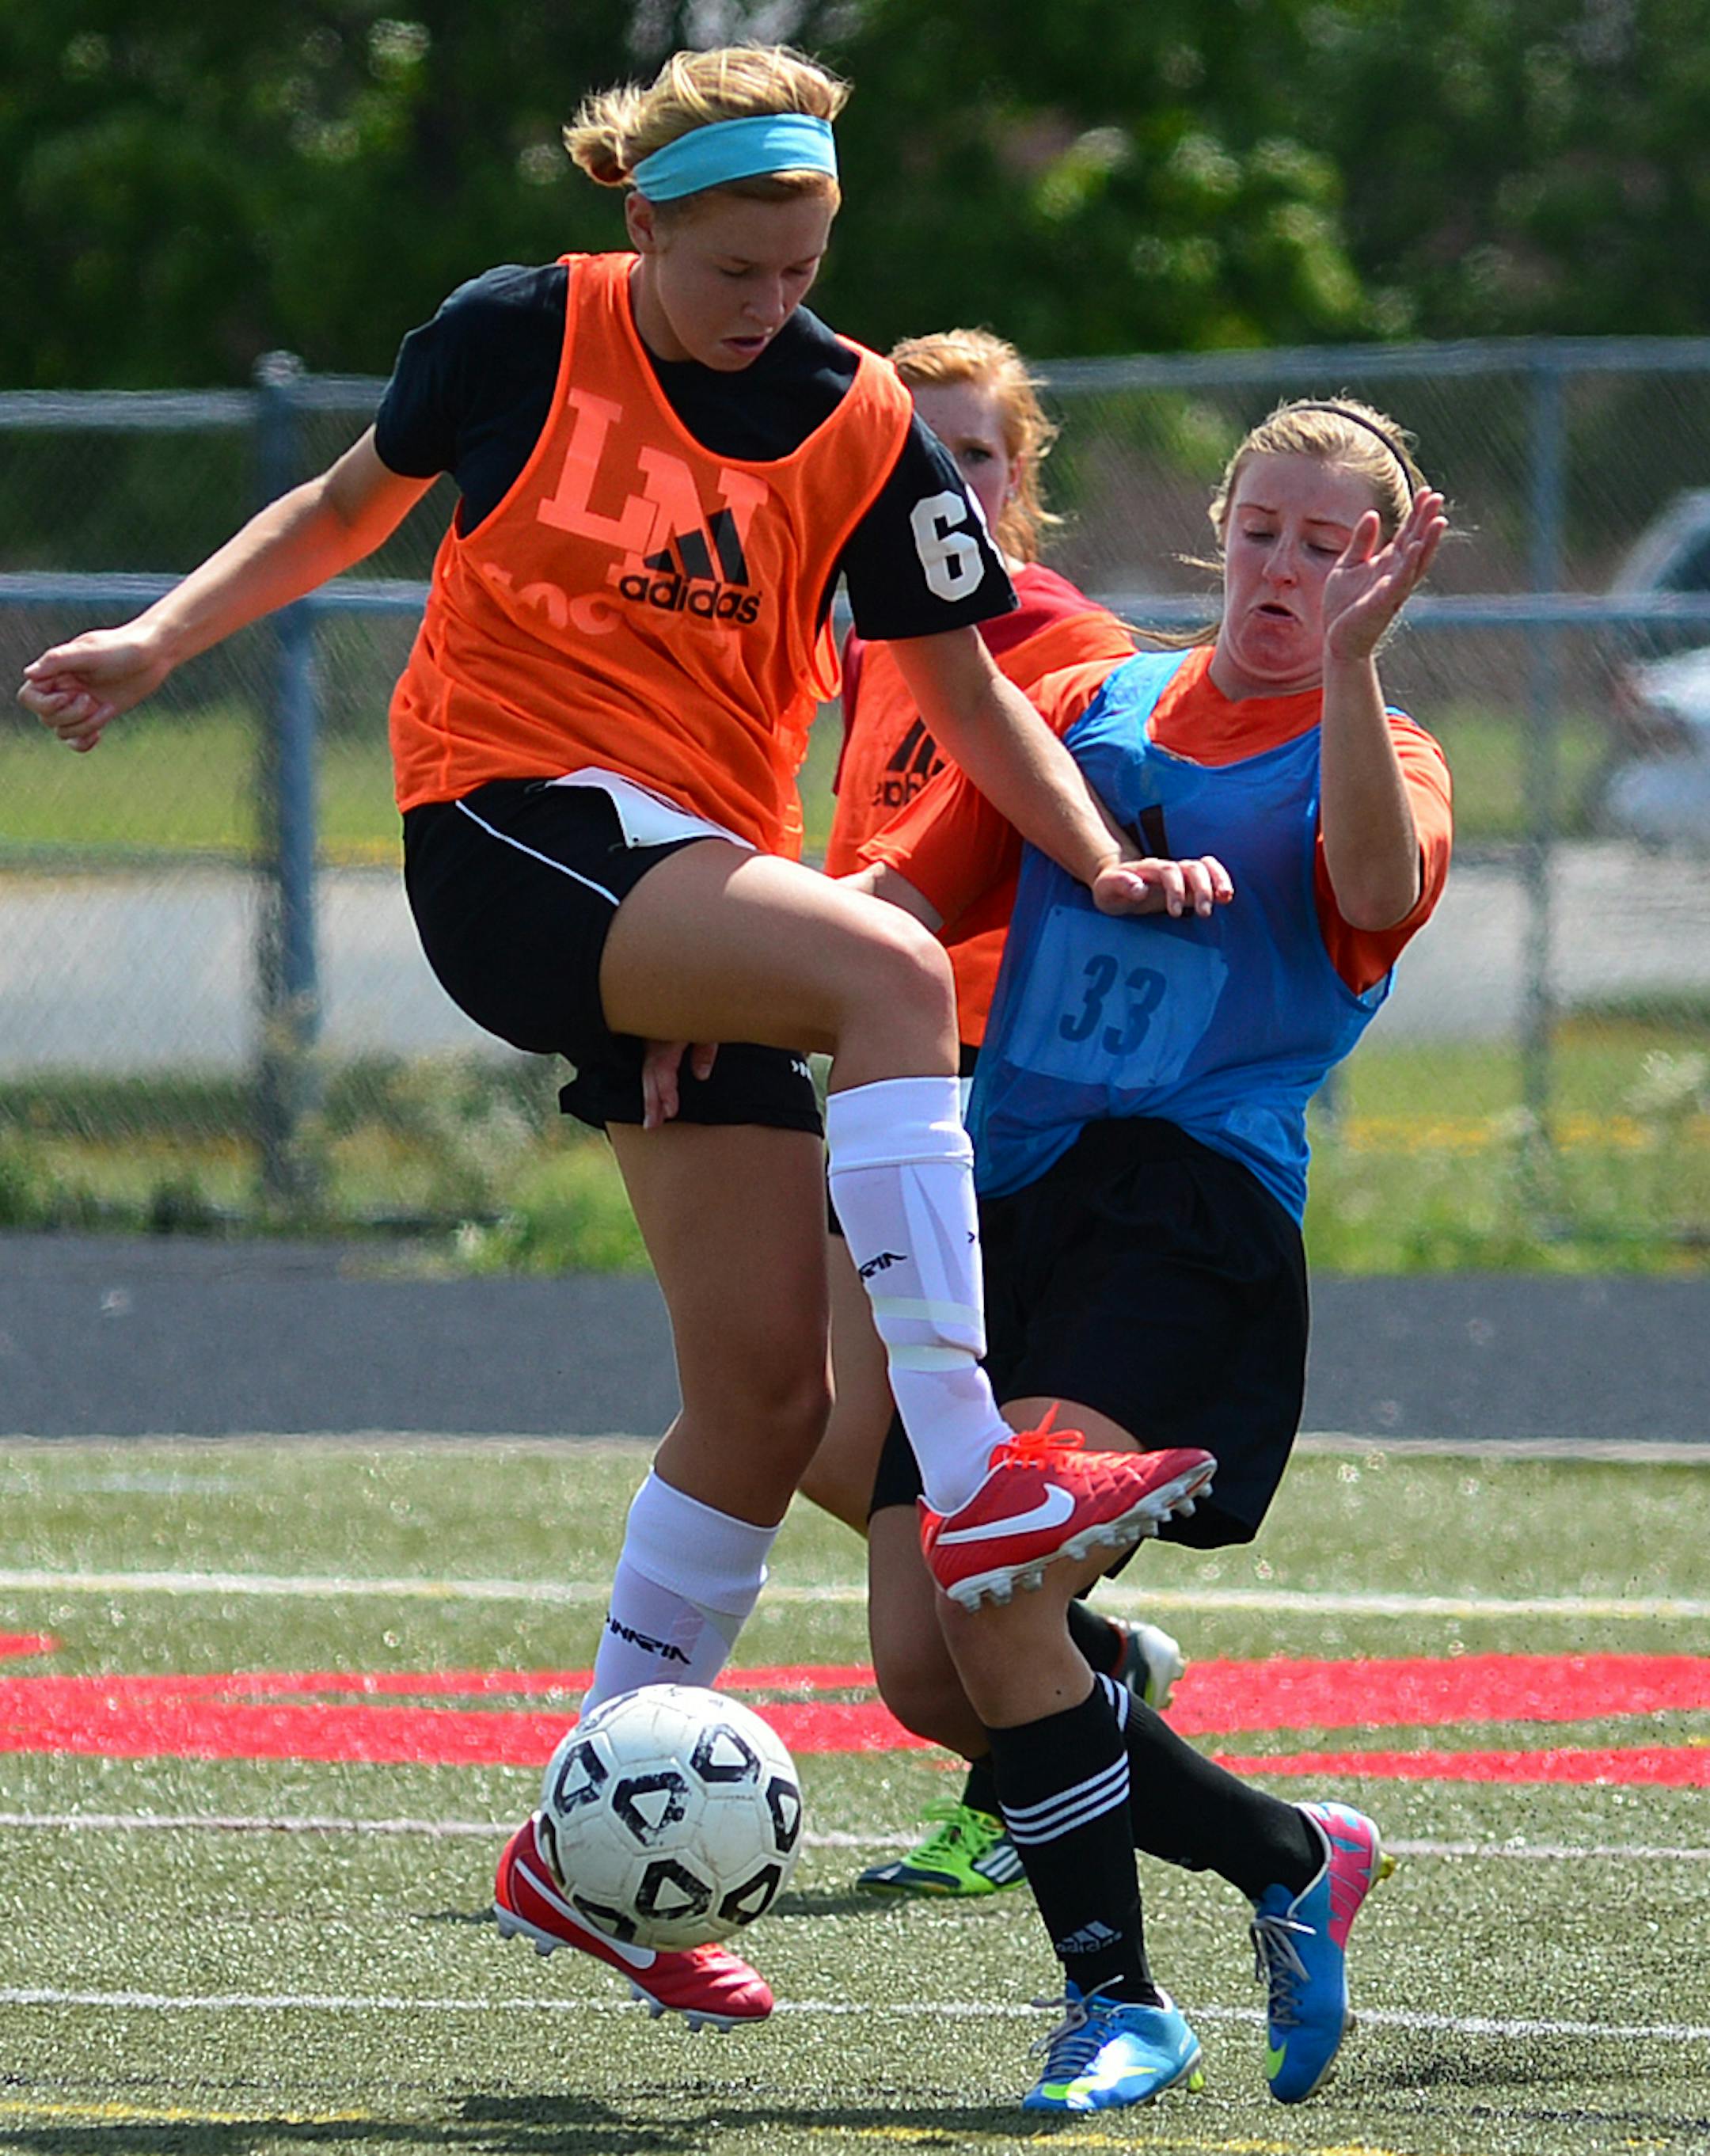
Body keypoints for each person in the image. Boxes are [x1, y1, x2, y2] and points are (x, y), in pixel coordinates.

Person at [15, 44, 1216, 2032]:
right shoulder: (522, 331)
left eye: (805, 261)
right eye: (739, 264)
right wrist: (155, 639)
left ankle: (583, 1864)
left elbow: (975, 686)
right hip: (512, 832)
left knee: (755, 1400)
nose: (776, 303)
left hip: (687, 889)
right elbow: (341, 511)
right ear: (643, 222)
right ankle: (982, 1466)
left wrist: (1096, 851)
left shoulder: (855, 419)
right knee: (892, 980)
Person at [848, 397, 1452, 2108]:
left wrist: (1345, 669)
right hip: (1005, 1194)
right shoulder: (1083, 706)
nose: (1291, 567)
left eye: (1334, 547)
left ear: (1382, 569)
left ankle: (1119, 2004)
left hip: (1187, 1206)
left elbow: (1367, 877)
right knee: (928, 1661)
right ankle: (1280, 1851)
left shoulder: (1391, 749)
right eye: (1267, 530)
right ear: (1220, 528)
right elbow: (908, 900)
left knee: (1002, 1580)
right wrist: (720, 983)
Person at [811, 327, 1189, 1897]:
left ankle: (1018, 1755)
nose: (945, 481)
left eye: (976, 454)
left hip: (985, 1081)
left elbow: (1069, 836)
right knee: (818, 1432)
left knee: (900, 1462)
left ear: (1022, 480)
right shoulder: (869, 632)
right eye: (919, 451)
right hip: (872, 1053)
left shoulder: (1060, 636)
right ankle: (1091, 1664)